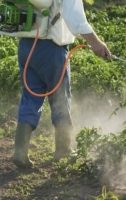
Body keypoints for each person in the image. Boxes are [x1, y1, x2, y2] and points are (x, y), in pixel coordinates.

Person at [12, 0, 112, 169]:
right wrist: (95, 42)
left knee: (30, 97)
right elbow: (77, 20)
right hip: (51, 49)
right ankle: (63, 149)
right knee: (60, 98)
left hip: (26, 46)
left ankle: (20, 152)